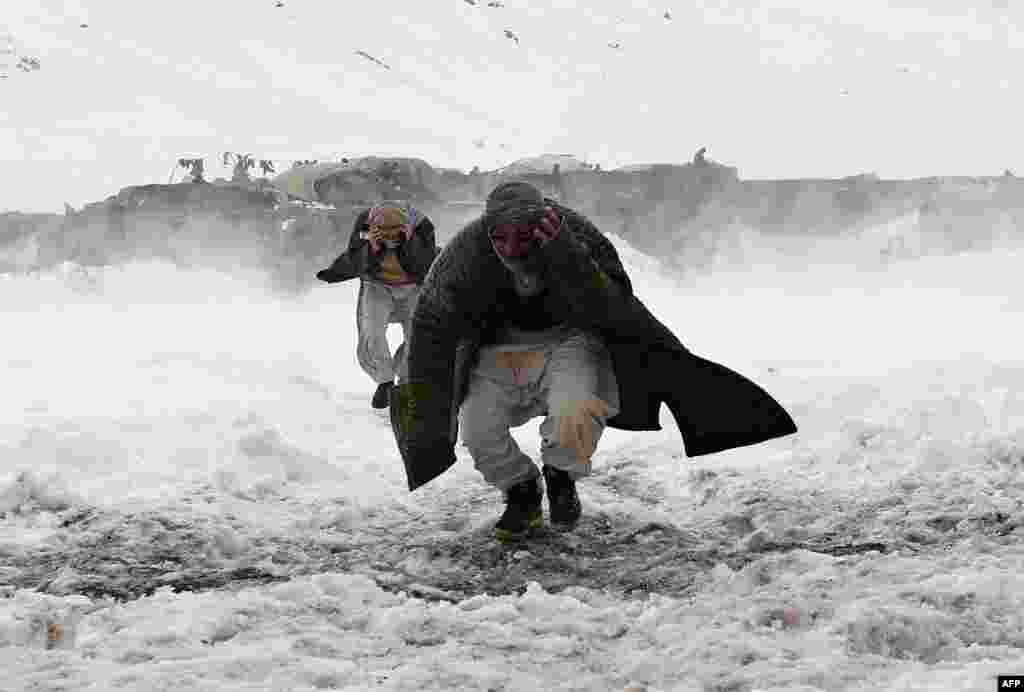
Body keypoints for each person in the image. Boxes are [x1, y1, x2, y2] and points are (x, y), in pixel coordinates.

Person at [390, 181, 798, 542]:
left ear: (543, 225)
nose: (512, 249)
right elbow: (431, 321)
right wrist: (424, 402)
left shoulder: (576, 233)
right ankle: (521, 490)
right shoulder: (465, 253)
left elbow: (615, 306)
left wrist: (566, 255)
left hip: (570, 337)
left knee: (577, 411)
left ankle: (561, 478)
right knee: (478, 427)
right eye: (502, 238)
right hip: (496, 347)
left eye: (524, 237)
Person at [316, 201, 438, 409]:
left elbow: (424, 263)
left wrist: (407, 243)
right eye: (385, 235)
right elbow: (355, 259)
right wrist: (373, 249)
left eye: (395, 234)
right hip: (377, 284)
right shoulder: (364, 223)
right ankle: (385, 381)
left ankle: (407, 379)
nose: (390, 240)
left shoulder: (423, 226)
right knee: (371, 333)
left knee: (419, 337)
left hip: (413, 287)